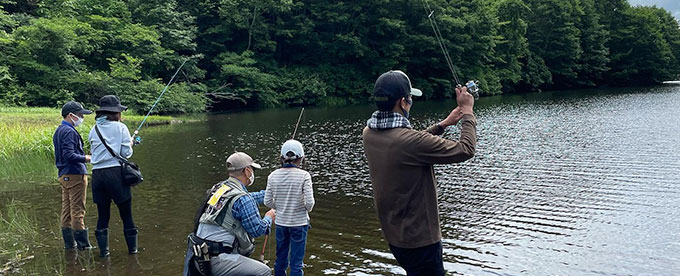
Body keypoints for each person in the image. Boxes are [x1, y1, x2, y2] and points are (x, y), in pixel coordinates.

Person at [362, 70, 477, 275]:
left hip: (395, 236)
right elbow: (466, 149)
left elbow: (406, 143)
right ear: (402, 102)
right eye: (409, 98)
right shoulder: (409, 141)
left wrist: (443, 125)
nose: (410, 102)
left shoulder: (369, 133)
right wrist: (468, 111)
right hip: (421, 241)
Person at [184, 152, 275, 276]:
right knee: (264, 271)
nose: (253, 173)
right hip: (216, 260)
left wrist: (272, 193)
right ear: (247, 171)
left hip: (198, 256)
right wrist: (269, 217)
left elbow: (247, 199)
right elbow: (258, 230)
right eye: (252, 170)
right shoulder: (242, 199)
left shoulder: (219, 189)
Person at [88, 95, 138, 257]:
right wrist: (130, 143)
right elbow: (126, 154)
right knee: (126, 214)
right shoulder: (121, 128)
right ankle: (133, 252)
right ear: (116, 113)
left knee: (103, 215)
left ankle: (104, 254)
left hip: (97, 175)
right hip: (115, 174)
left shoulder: (93, 129)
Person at [264, 140, 314, 276]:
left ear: (282, 158)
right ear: (301, 158)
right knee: (296, 264)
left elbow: (267, 201)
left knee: (280, 261)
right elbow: (310, 204)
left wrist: (280, 207)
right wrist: (300, 207)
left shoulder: (272, 176)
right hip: (299, 224)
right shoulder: (305, 176)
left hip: (281, 224)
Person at [53, 101, 95, 250]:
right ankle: (84, 248)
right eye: (80, 115)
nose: (82, 117)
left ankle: (70, 247)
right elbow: (69, 154)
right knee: (78, 211)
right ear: (71, 115)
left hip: (64, 175)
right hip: (75, 175)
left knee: (66, 211)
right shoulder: (69, 132)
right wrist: (86, 158)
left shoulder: (59, 130)